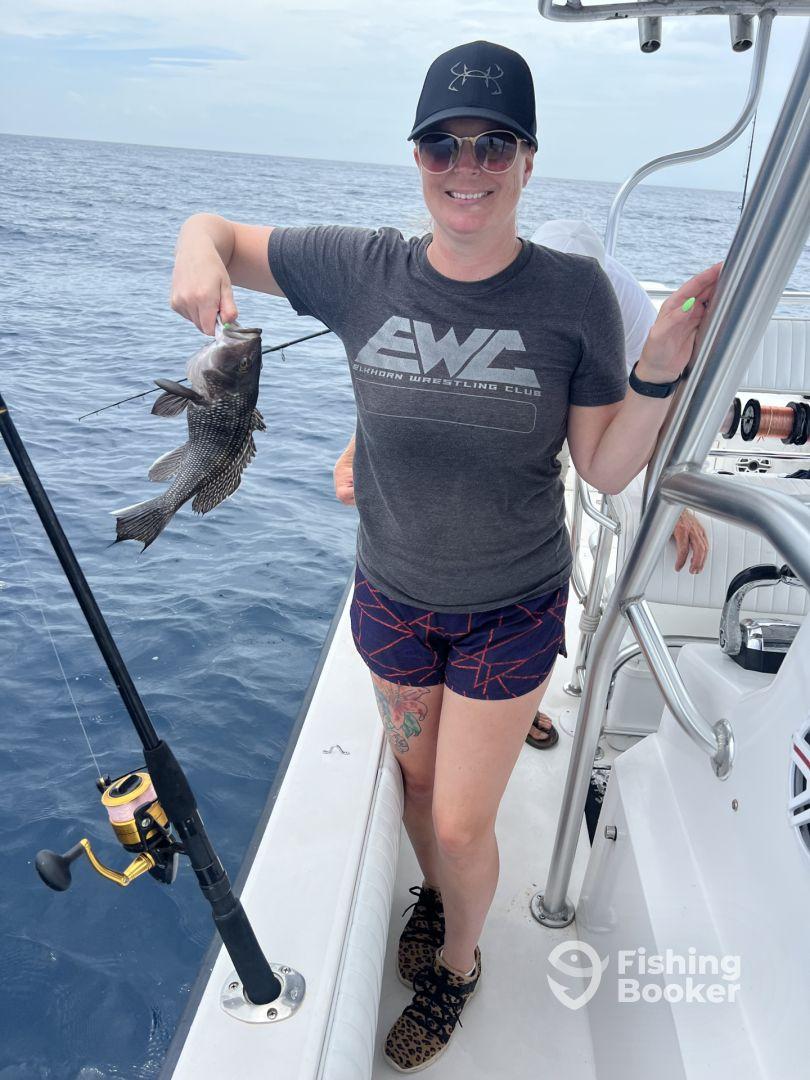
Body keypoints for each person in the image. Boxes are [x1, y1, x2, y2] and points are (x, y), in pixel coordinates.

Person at [169, 40, 722, 1072]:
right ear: (416, 156)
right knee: (418, 797)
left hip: (510, 606)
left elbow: (602, 469)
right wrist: (195, 253)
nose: (466, 165)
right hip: (390, 596)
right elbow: (216, 232)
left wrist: (654, 376)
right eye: (443, 145)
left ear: (527, 158)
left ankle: (459, 960)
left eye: (492, 143)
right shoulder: (358, 267)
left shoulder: (574, 298)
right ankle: (437, 900)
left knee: (464, 826)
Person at [332, 217, 709, 752]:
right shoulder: (511, 287)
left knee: (548, 510)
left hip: (603, 406)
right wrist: (355, 447)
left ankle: (517, 706)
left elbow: (658, 407)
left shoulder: (619, 308)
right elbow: (417, 382)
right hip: (516, 404)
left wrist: (669, 495)